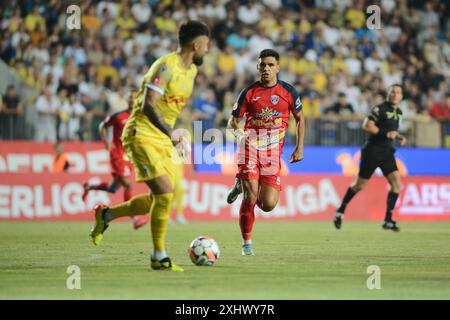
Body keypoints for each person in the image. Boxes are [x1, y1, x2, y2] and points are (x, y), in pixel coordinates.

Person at [89, 20, 210, 272]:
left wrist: (176, 135)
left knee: (158, 198)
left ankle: (106, 215)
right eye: (206, 45)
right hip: (141, 133)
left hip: (162, 139)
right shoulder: (165, 66)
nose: (207, 50)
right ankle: (159, 256)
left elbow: (170, 108)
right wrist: (171, 134)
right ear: (195, 44)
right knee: (166, 193)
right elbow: (148, 104)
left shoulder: (192, 72)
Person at [226, 49, 305, 255]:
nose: (266, 69)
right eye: (263, 65)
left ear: (278, 67)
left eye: (271, 65)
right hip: (249, 150)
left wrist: (299, 147)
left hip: (272, 156)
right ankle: (247, 245)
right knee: (251, 198)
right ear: (258, 67)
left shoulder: (288, 92)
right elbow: (232, 122)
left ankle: (239, 185)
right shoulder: (248, 93)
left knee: (268, 204)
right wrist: (240, 135)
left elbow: (300, 119)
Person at [333, 84, 406, 231]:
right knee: (360, 185)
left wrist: (398, 136)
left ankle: (388, 220)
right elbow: (367, 126)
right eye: (392, 92)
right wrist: (386, 134)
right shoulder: (379, 109)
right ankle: (340, 210)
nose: (395, 94)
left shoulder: (399, 112)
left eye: (398, 92)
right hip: (372, 151)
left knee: (396, 183)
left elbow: (391, 130)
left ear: (401, 96)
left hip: (387, 152)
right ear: (388, 93)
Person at [82, 91, 147, 230]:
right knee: (128, 184)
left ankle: (89, 187)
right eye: (130, 98)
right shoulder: (118, 116)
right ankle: (134, 218)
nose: (132, 100)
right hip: (117, 154)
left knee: (113, 188)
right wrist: (105, 141)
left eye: (135, 98)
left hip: (129, 157)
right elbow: (102, 126)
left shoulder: (140, 117)